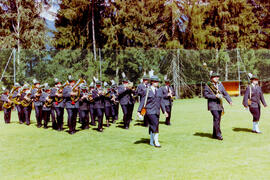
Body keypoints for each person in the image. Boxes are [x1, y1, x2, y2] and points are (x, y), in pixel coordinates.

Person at [137, 75, 168, 148]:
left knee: (152, 126)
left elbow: (161, 102)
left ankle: (151, 141)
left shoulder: (159, 90)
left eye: (157, 81)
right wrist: (139, 111)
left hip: (157, 111)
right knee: (156, 125)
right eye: (156, 81)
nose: (157, 83)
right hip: (149, 111)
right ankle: (156, 141)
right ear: (152, 82)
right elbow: (142, 101)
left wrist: (164, 111)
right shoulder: (147, 90)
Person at [203, 72, 232, 140]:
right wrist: (215, 96)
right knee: (216, 118)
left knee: (218, 120)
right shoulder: (208, 85)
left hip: (220, 105)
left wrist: (229, 101)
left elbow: (225, 93)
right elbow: (205, 95)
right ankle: (219, 135)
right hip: (212, 105)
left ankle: (214, 134)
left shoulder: (220, 84)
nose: (216, 78)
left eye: (217, 76)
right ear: (211, 78)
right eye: (215, 77)